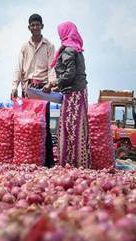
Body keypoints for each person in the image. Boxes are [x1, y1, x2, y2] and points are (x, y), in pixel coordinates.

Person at [43, 21, 91, 168]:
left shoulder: (69, 50)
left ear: (65, 32)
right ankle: (80, 162)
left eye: (60, 32)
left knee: (70, 128)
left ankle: (71, 162)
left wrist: (53, 83)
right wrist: (58, 86)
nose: (59, 35)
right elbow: (74, 75)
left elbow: (69, 74)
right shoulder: (77, 49)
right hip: (79, 92)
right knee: (79, 128)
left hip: (73, 96)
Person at [11, 13, 55, 167]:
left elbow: (52, 68)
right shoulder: (24, 46)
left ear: (42, 26)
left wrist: (51, 84)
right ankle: (28, 161)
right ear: (29, 27)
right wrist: (14, 86)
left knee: (45, 125)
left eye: (38, 24)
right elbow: (18, 68)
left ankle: (48, 163)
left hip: (43, 89)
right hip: (28, 89)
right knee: (27, 124)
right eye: (33, 25)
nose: (35, 27)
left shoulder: (49, 46)